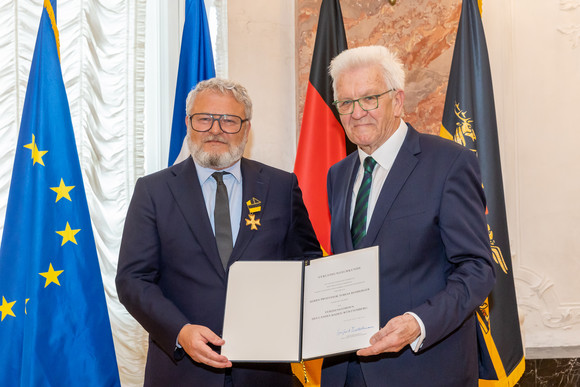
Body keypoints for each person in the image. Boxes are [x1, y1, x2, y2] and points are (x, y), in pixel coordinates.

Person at [116, 78, 321, 387]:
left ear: (247, 129)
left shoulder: (281, 187)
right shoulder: (154, 191)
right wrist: (180, 331)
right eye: (204, 119)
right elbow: (133, 280)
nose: (215, 130)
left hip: (265, 374)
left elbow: (308, 266)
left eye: (229, 120)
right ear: (188, 123)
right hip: (180, 372)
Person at [322, 45, 496, 386]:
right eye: (346, 102)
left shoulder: (448, 163)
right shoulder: (337, 175)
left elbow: (478, 268)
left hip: (424, 367)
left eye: (369, 98)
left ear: (398, 100)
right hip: (346, 372)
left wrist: (419, 322)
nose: (357, 113)